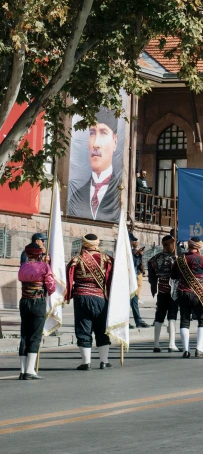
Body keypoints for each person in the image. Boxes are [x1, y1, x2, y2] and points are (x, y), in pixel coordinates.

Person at [65, 233, 113, 370]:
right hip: (101, 298)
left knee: (83, 328)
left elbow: (68, 277)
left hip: (82, 297)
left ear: (84, 244)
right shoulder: (108, 259)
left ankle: (86, 362)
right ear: (97, 244)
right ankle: (104, 361)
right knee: (102, 329)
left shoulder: (77, 260)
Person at [171, 237, 203, 358]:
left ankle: (186, 350)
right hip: (197, 293)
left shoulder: (179, 260)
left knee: (184, 320)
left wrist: (177, 265)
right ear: (199, 247)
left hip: (182, 292)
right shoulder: (202, 259)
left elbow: (173, 276)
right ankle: (199, 349)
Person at [68, 107, 121, 221]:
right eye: (92, 133)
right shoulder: (75, 197)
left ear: (115, 141)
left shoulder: (119, 194)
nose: (96, 144)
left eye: (103, 133)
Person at [17, 242, 56, 379]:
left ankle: (22, 370)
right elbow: (51, 287)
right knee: (35, 336)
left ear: (27, 253)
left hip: (24, 301)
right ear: (39, 253)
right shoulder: (44, 266)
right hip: (37, 301)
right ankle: (30, 370)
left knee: (25, 335)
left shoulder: (23, 266)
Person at [148, 236, 179, 352]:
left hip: (160, 290)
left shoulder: (154, 259)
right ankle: (171, 344)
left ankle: (156, 344)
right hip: (173, 291)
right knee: (172, 316)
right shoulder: (173, 259)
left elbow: (152, 277)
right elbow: (177, 275)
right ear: (170, 244)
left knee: (159, 316)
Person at [128, 234, 149, 329]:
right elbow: (132, 264)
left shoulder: (131, 252)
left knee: (134, 301)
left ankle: (138, 321)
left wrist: (138, 255)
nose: (133, 242)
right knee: (127, 302)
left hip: (133, 279)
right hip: (127, 280)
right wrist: (137, 256)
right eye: (132, 240)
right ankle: (125, 321)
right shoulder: (126, 252)